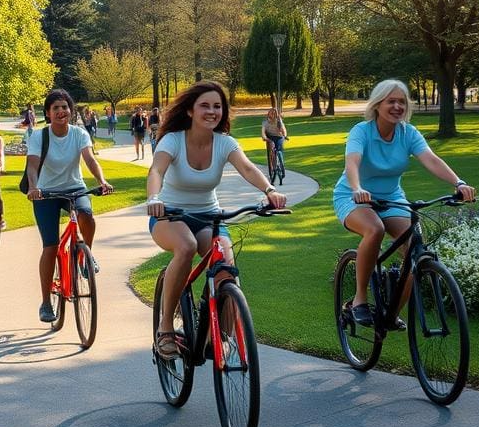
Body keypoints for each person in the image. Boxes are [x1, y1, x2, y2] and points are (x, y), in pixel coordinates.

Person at [146, 81, 287, 359]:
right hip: (169, 215)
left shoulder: (224, 143)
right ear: (190, 111)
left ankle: (219, 338)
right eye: (205, 106)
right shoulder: (173, 140)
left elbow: (247, 167)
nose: (212, 111)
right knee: (185, 247)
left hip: (209, 217)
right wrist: (153, 198)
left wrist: (269, 190)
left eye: (217, 106)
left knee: (226, 269)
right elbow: (156, 170)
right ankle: (165, 330)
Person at [333, 79, 477, 327]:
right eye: (391, 101)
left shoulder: (408, 133)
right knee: (374, 229)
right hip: (354, 196)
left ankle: (390, 314)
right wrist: (357, 188)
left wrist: (458, 183)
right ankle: (359, 299)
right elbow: (352, 163)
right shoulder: (361, 131)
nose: (397, 106)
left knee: (413, 250)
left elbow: (431, 159)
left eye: (402, 101)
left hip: (392, 199)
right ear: (378, 105)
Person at [25, 89, 113, 323]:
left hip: (74, 188)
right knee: (50, 246)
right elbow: (32, 166)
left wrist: (101, 181)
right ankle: (45, 303)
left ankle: (85, 257)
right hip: (45, 193)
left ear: (71, 111)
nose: (61, 112)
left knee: (86, 214)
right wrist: (33, 187)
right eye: (56, 108)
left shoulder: (79, 134)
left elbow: (90, 159)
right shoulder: (39, 137)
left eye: (65, 107)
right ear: (48, 113)